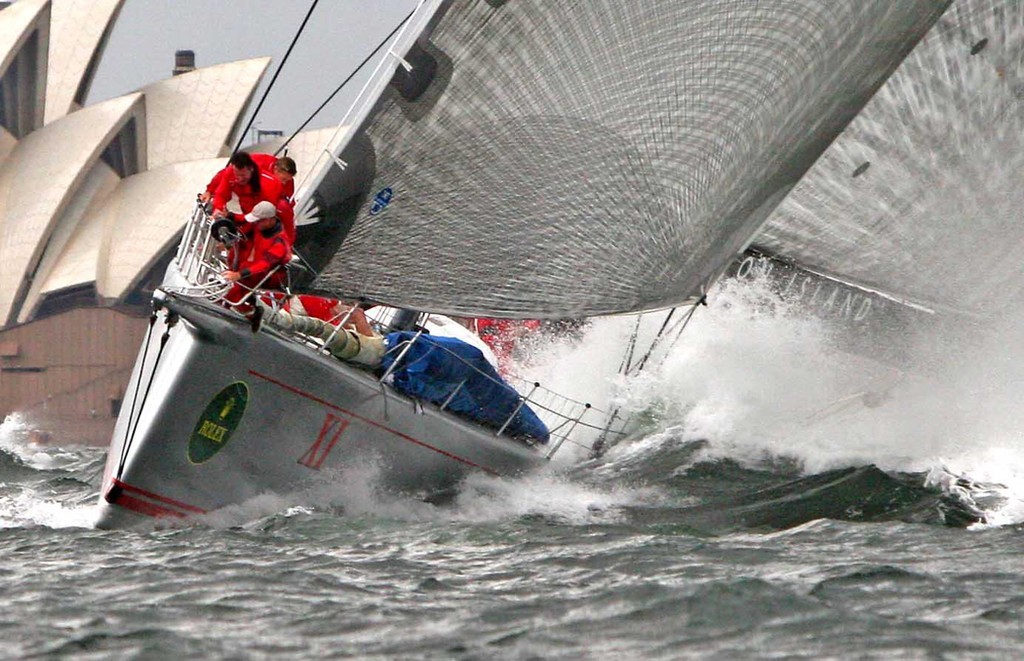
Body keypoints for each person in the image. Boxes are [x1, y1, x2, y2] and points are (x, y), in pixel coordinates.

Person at [221, 201, 292, 316]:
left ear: (269, 220)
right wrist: (229, 216)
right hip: (253, 270)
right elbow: (243, 220)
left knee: (235, 290)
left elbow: (263, 265)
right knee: (238, 278)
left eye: (258, 221)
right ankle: (228, 304)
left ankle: (243, 311)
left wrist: (239, 274)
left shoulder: (280, 244)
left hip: (267, 278)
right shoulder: (261, 226)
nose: (255, 223)